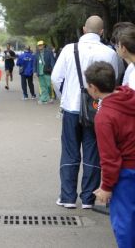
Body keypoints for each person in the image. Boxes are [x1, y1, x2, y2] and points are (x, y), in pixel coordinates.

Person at [51, 15, 120, 209]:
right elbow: (112, 82)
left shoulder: (68, 50)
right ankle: (88, 198)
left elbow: (56, 78)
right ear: (102, 32)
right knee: (92, 151)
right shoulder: (110, 53)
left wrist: (65, 96)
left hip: (71, 108)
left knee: (70, 152)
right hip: (97, 109)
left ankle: (67, 197)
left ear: (83, 29)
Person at [84, 61, 135, 248]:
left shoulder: (105, 116)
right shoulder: (129, 96)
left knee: (125, 224)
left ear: (93, 88)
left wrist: (106, 186)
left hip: (127, 172)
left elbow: (110, 157)